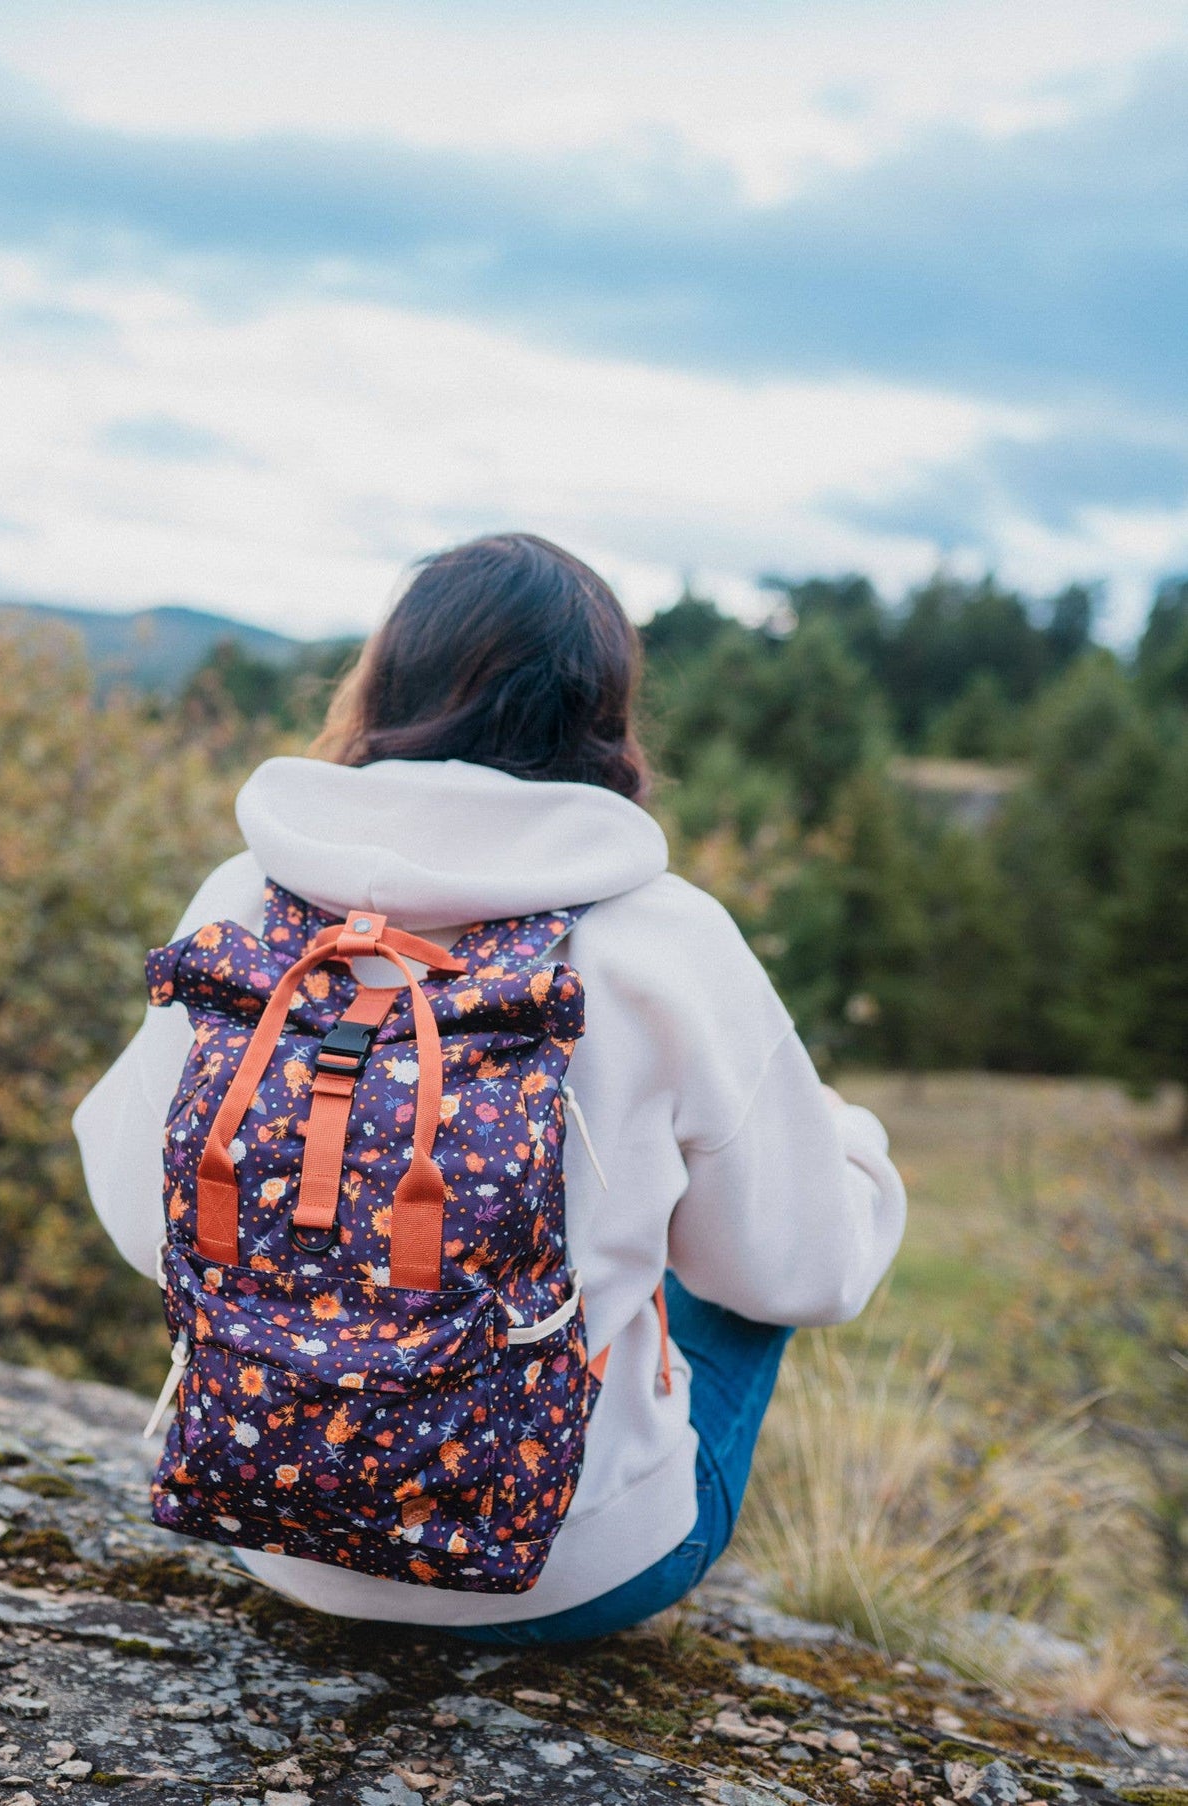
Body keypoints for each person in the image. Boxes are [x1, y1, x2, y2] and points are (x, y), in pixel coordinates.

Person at [74, 531, 906, 1644]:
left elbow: (145, 1224)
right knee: (741, 1247)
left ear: (386, 682)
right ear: (600, 716)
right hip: (564, 1575)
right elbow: (803, 1273)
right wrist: (847, 1148)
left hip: (261, 1521)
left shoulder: (245, 900)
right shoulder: (665, 938)